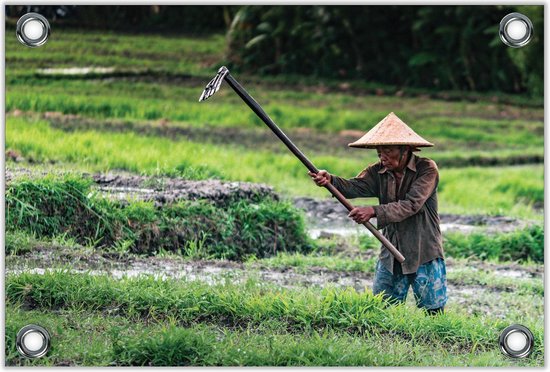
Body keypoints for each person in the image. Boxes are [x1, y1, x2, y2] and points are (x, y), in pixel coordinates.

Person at [309, 112, 447, 315]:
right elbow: (354, 187)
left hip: (423, 247)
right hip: (392, 246)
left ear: (405, 150)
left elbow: (411, 204)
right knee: (381, 309)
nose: (382, 156)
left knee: (433, 310)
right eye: (379, 151)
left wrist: (373, 211)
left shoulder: (426, 169)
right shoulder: (377, 171)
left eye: (388, 151)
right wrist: (330, 180)